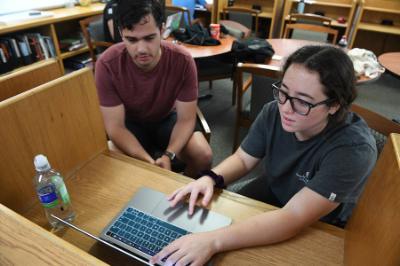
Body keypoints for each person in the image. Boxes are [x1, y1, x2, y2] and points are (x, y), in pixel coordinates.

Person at [150, 45, 378, 266]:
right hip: (276, 187)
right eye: (284, 92)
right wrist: (210, 177)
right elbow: (243, 159)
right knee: (205, 224)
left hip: (321, 220)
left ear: (334, 105)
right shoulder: (273, 110)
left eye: (303, 101)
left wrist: (213, 240)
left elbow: (293, 217)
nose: (286, 108)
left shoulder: (353, 149)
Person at [95, 0, 212, 177]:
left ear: (162, 30)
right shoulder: (106, 64)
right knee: (110, 159)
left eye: (149, 38)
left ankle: (182, 194)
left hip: (166, 118)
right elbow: (115, 127)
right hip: (130, 123)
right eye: (131, 39)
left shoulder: (183, 60)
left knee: (203, 155)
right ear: (121, 33)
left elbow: (186, 119)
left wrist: (168, 155)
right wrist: (148, 162)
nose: (141, 49)